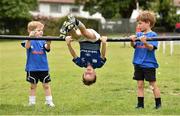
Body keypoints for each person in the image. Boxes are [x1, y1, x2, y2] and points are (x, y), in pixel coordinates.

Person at [61, 16, 107, 86]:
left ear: (83, 73)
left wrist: (68, 44)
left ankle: (69, 27)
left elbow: (74, 55)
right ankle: (75, 21)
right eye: (90, 74)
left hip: (82, 40)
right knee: (85, 33)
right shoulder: (98, 64)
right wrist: (103, 43)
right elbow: (103, 55)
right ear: (95, 74)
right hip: (93, 39)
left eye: (86, 74)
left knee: (76, 36)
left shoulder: (81, 63)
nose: (88, 72)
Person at [129, 10, 161, 109]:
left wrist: (145, 42)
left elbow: (152, 48)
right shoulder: (138, 35)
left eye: (140, 23)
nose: (138, 26)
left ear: (148, 23)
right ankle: (140, 105)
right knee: (139, 85)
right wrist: (132, 41)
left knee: (152, 85)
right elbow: (134, 46)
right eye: (138, 24)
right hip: (138, 64)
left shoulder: (153, 35)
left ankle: (158, 105)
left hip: (149, 64)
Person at [21, 21, 55, 107]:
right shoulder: (28, 40)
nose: (41, 32)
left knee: (46, 85)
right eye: (39, 30)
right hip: (32, 68)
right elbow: (27, 46)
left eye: (42, 30)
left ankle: (49, 101)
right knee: (33, 86)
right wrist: (30, 37)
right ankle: (32, 102)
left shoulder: (42, 40)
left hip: (43, 68)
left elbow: (47, 49)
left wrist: (48, 43)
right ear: (31, 31)